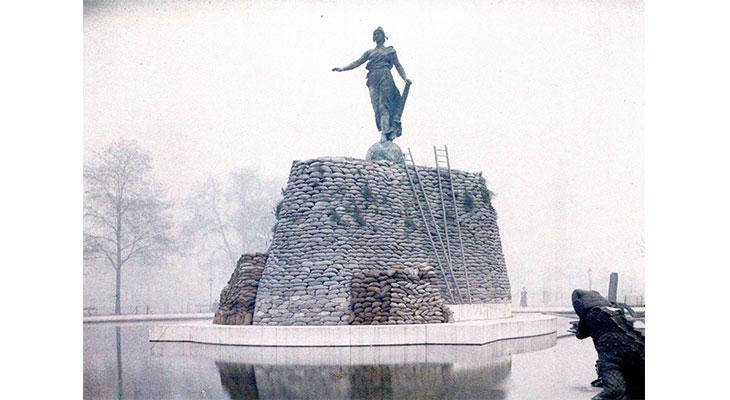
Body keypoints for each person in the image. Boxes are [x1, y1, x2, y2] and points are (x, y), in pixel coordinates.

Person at [333, 27, 412, 142]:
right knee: (376, 107)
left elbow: (398, 65)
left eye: (379, 34)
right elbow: (357, 62)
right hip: (372, 79)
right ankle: (384, 130)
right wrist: (342, 68)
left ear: (384, 36)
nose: (377, 36)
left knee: (383, 105)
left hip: (385, 77)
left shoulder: (390, 51)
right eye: (375, 34)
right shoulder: (369, 52)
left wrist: (405, 78)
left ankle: (385, 134)